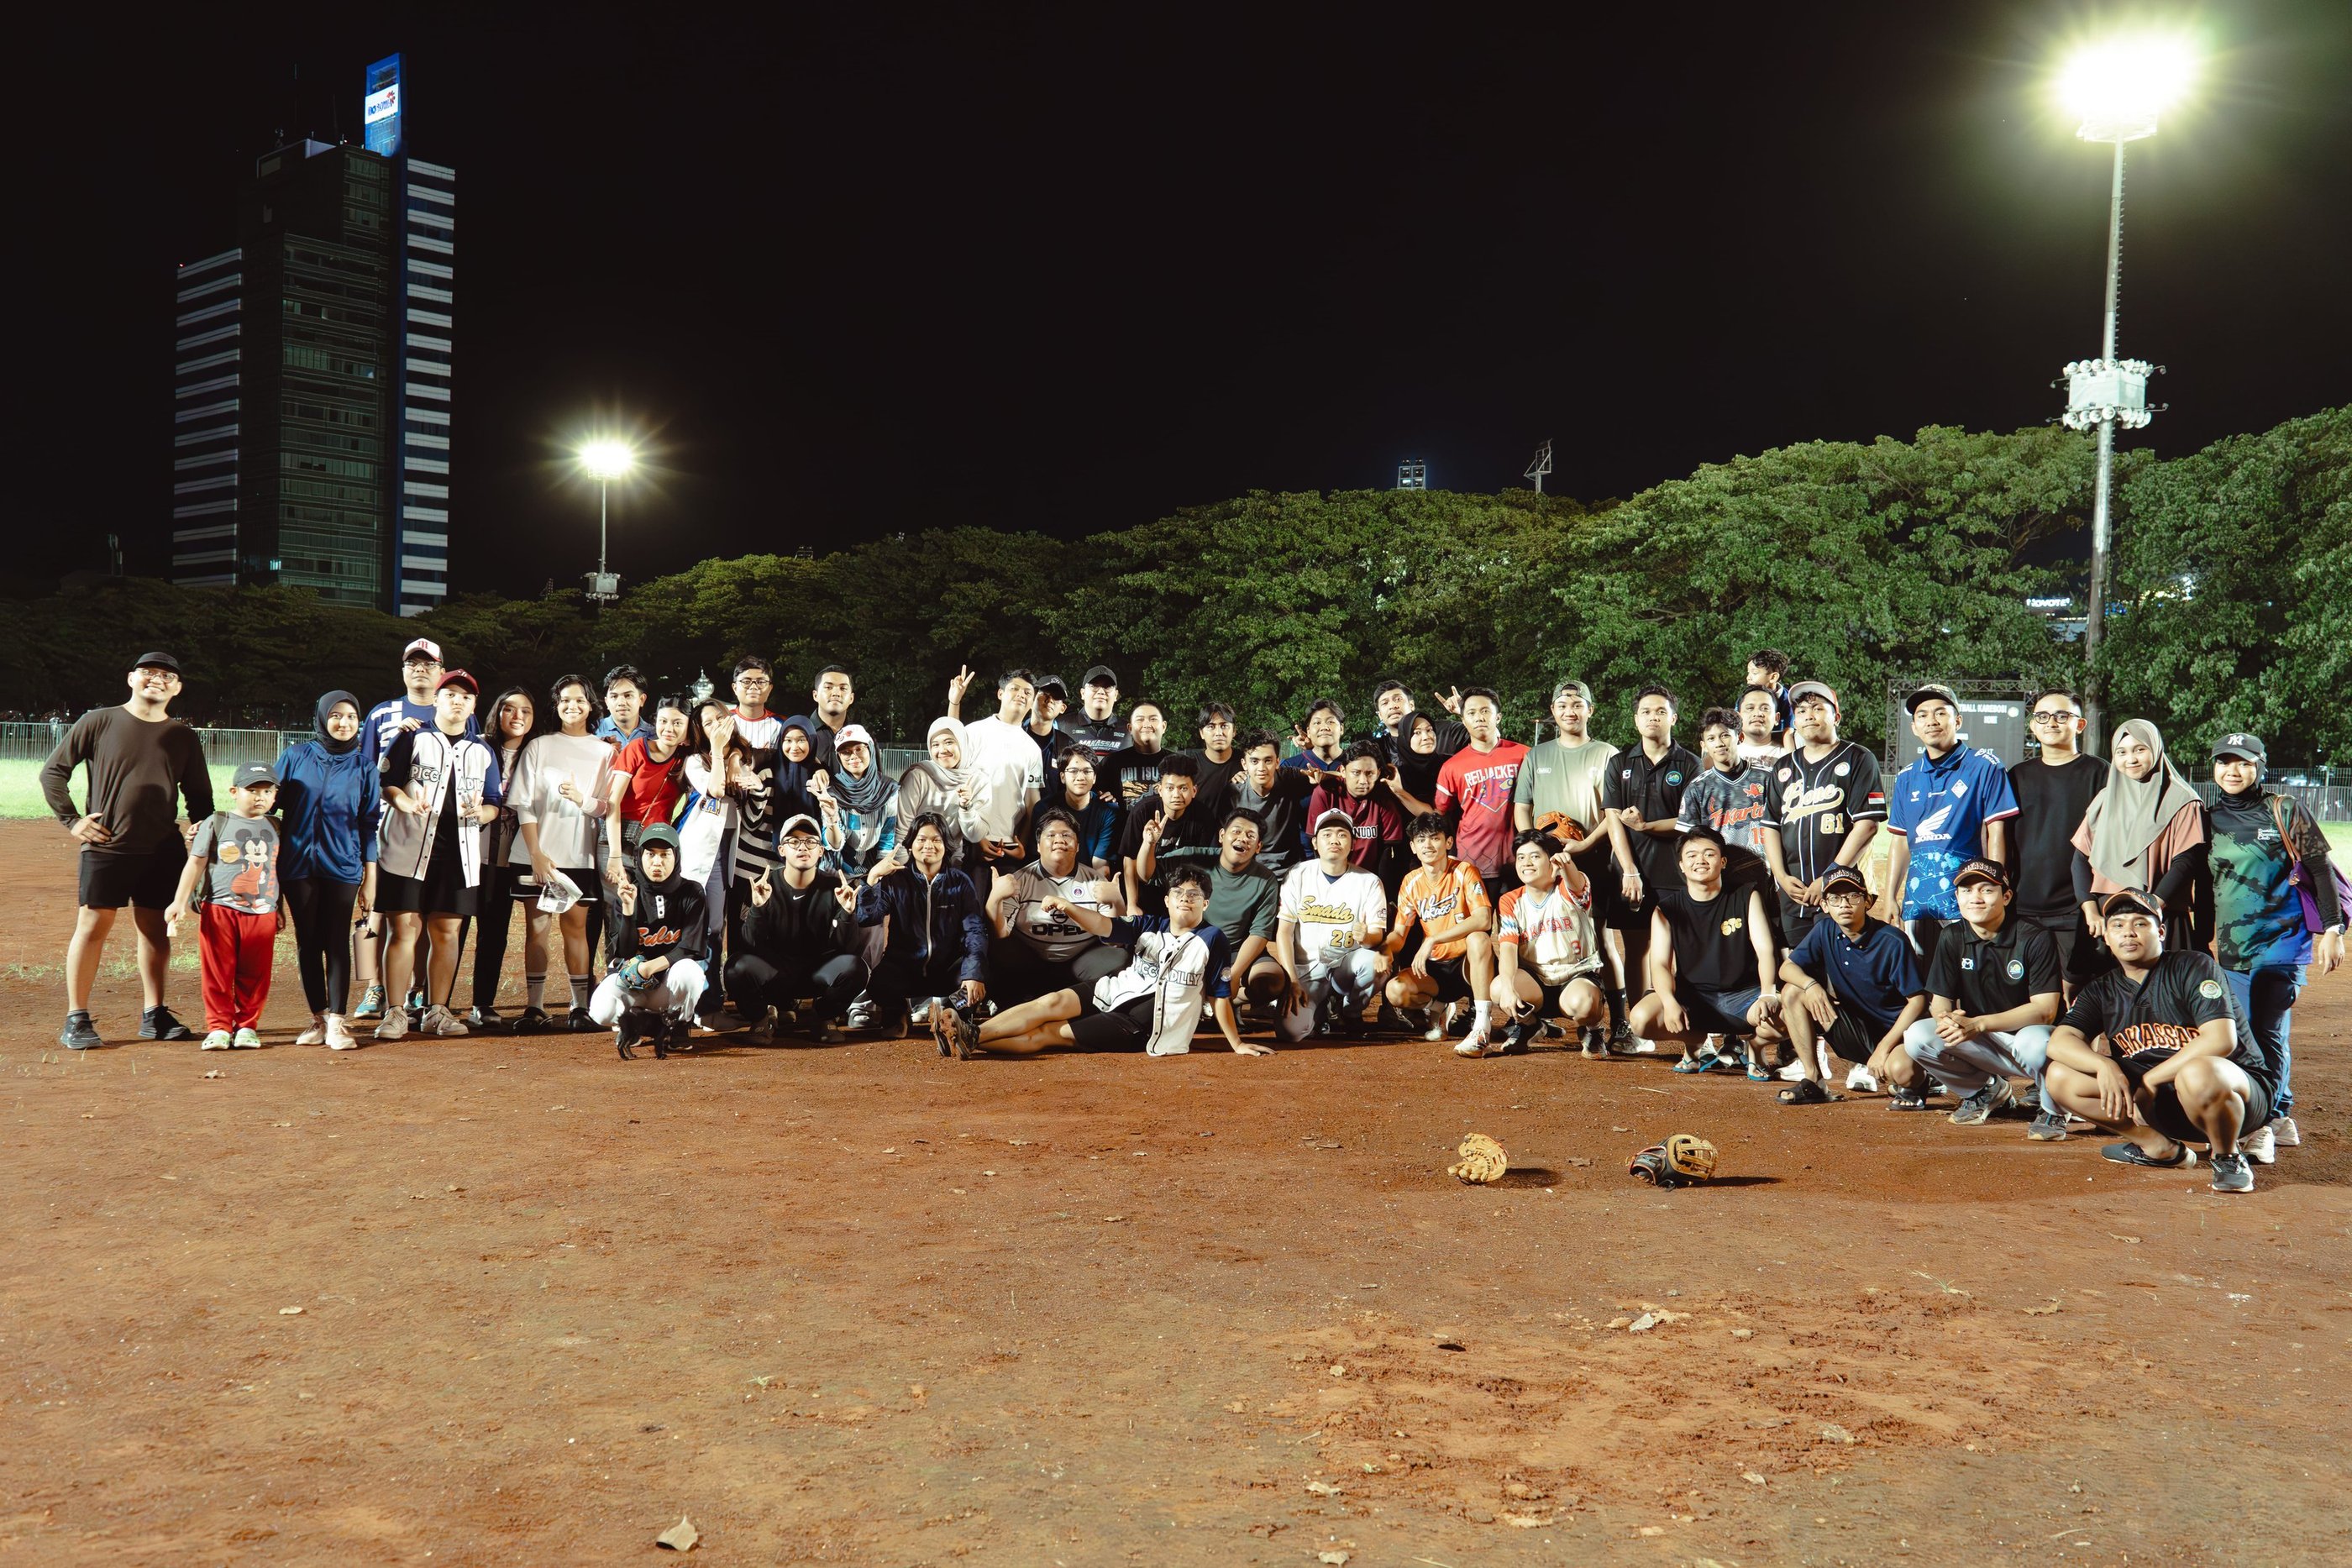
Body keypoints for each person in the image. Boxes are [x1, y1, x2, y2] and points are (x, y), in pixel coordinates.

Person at [2043, 889, 2272, 1194]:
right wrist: (2103, 1065)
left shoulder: (2192, 966)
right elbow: (2059, 1042)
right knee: (2059, 1076)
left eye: (2140, 923)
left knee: (2199, 1071)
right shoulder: (2101, 990)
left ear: (2161, 932)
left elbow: (2221, 1040)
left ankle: (2227, 1156)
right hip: (2158, 1105)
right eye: (2118, 925)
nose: (2128, 932)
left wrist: (2150, 1080)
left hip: (2233, 1098)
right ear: (2107, 938)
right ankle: (2157, 1147)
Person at [41, 651, 213, 1048]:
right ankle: (77, 1017)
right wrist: (73, 820)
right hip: (108, 844)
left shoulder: (183, 736)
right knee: (92, 927)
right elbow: (53, 772)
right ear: (131, 678)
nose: (158, 679)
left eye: (167, 676)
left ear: (178, 688)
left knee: (155, 930)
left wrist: (201, 829)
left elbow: (199, 797)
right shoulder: (99, 721)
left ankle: (155, 1013)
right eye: (149, 672)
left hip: (162, 848)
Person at [942, 865, 1263, 1058]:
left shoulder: (1212, 939)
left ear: (1205, 904)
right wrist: (1069, 906)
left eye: (1193, 895)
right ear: (1167, 900)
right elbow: (1102, 924)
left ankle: (969, 1038)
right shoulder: (1149, 924)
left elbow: (1220, 995)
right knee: (1050, 1002)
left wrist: (1236, 1043)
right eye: (1178, 893)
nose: (1185, 899)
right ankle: (971, 1034)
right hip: (1114, 990)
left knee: (1050, 1033)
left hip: (1142, 1025)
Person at [2205, 731, 2344, 1156]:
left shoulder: (2284, 809)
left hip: (2283, 942)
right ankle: (2279, 1115)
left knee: (2266, 1031)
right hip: (2231, 948)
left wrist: (2333, 929)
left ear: (2259, 767)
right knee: (2242, 1032)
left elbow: (2320, 869)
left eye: (2244, 762)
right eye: (2225, 761)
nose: (2233, 770)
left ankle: (2264, 1123)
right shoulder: (2208, 818)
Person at [375, 670, 504, 1041]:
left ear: (474, 706)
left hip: (458, 854)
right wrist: (405, 803)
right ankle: (395, 1012)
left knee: (447, 932)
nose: (457, 700)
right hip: (407, 848)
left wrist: (482, 814)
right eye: (450, 694)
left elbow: (494, 802)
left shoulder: (482, 751)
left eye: (466, 696)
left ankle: (437, 1011)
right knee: (403, 930)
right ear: (436, 699)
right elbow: (387, 784)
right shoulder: (411, 736)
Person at [1894, 858, 2066, 1133]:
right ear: (1957, 897)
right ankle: (1985, 1090)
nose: (1975, 898)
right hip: (1982, 1038)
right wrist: (1947, 1019)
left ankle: (2054, 1107)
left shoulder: (2034, 937)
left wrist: (1980, 1024)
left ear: (2006, 897)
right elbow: (1940, 1000)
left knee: (2033, 1041)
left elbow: (2045, 1011)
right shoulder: (1952, 936)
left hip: (2034, 1041)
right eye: (1966, 890)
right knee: (1919, 1036)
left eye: (1986, 890)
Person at [1630, 826, 1787, 1076]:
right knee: (1640, 1019)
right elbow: (1659, 964)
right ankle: (1695, 1042)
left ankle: (1756, 1047)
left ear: (1723, 862)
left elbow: (1765, 949)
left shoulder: (1746, 896)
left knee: (1791, 1015)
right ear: (1682, 866)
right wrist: (1670, 1002)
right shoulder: (1667, 909)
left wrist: (1767, 993)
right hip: (1692, 997)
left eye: (1709, 854)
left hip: (1744, 997)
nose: (1700, 860)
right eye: (1691, 856)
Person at [508, 674, 616, 1034]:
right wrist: (536, 854)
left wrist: (581, 799)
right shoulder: (539, 746)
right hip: (536, 855)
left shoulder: (605, 751)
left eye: (580, 700)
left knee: (576, 930)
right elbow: (524, 803)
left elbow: (606, 807)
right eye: (565, 700)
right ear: (556, 705)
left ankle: (580, 1007)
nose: (572, 706)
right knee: (537, 929)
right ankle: (535, 1006)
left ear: (591, 706)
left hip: (578, 854)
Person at [274, 690, 380, 1051]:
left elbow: (369, 825)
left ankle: (337, 1021)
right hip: (297, 865)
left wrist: (370, 878)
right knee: (308, 941)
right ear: (321, 718)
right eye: (335, 715)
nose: (343, 722)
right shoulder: (295, 757)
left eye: (351, 716)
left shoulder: (364, 768)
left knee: (336, 941)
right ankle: (317, 1018)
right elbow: (268, 805)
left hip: (343, 865)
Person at [1880, 684, 2019, 962]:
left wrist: (1995, 885)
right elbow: (1900, 841)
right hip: (1918, 900)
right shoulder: (1907, 777)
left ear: (1958, 721)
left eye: (1940, 713)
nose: (1931, 721)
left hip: (1967, 899)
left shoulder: (1984, 766)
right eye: (1922, 715)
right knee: (1922, 971)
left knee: (1969, 971)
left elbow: (1996, 832)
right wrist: (1890, 897)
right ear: (1914, 728)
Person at [1774, 864, 1926, 1105]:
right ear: (1825, 905)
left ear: (1868, 901)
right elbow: (1787, 968)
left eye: (1853, 896)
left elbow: (1918, 1001)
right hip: (1853, 1027)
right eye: (1835, 898)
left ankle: (1920, 1081)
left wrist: (1883, 1049)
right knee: (1793, 992)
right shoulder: (1824, 929)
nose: (1844, 904)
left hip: (1895, 1033)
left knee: (1903, 1072)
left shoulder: (1893, 940)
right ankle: (1814, 1080)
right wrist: (1811, 985)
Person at [1603, 686, 1702, 1045]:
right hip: (1632, 872)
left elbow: (1689, 821)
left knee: (1683, 951)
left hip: (1677, 872)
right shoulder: (1620, 763)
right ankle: (1638, 1027)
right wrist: (1629, 869)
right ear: (1635, 720)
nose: (1653, 717)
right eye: (1645, 712)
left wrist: (1646, 826)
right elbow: (1613, 820)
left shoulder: (1690, 764)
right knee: (1637, 948)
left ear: (1673, 718)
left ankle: (1692, 1027)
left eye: (1660, 711)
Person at [165, 762, 284, 1051]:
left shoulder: (276, 826)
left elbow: (279, 871)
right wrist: (179, 901)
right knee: (218, 971)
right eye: (252, 790)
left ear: (275, 796)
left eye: (267, 791)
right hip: (219, 908)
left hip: (262, 912)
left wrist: (280, 908)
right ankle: (218, 1027)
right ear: (234, 791)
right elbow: (196, 863)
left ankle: (247, 1027)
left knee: (255, 975)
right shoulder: (217, 821)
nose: (260, 797)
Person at [1760, 679, 1884, 953]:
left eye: (1817, 708)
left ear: (1836, 717)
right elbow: (1770, 826)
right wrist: (1781, 876)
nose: (1809, 715)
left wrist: (1829, 877)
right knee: (1797, 963)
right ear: (1795, 721)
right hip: (1793, 891)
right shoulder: (1783, 767)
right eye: (1802, 711)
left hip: (1841, 889)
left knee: (1841, 962)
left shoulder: (1858, 758)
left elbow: (1867, 825)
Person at [2071, 718, 2208, 959]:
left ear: (2155, 749)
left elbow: (2185, 862)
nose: (2131, 759)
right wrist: (2091, 911)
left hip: (2160, 916)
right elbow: (2080, 859)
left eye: (2140, 749)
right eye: (2122, 752)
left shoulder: (2183, 800)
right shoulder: (2105, 799)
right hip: (2108, 918)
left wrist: (2153, 906)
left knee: (2167, 981)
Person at [726, 814, 868, 1043]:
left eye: (811, 841)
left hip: (817, 972)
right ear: (781, 850)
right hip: (775, 972)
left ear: (821, 851)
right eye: (794, 842)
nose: (803, 847)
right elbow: (749, 946)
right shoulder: (763, 885)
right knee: (735, 967)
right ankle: (761, 1018)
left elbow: (847, 949)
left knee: (856, 968)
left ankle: (823, 1016)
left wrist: (847, 913)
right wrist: (758, 909)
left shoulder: (836, 887)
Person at [2005, 688, 2109, 996]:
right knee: (2028, 992)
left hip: (2077, 904)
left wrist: (2093, 901)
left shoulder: (2099, 772)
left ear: (2079, 724)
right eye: (2042, 716)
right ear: (2033, 725)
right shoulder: (2017, 776)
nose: (2051, 722)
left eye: (2062, 716)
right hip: (2025, 905)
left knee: (2075, 989)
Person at [1147, 806, 1289, 1017]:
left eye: (1251, 836)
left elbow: (1259, 933)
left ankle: (1231, 1002)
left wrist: (1234, 975)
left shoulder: (1266, 879)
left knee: (1272, 981)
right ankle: (1207, 1002)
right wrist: (1149, 844)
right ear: (1222, 836)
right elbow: (1147, 873)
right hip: (1191, 947)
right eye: (1236, 831)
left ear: (1258, 846)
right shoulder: (1194, 858)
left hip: (1235, 950)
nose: (1243, 838)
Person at [856, 811, 989, 1036]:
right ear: (910, 845)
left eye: (936, 840)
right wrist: (872, 878)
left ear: (946, 846)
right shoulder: (896, 880)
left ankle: (952, 1012)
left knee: (979, 976)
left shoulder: (960, 881)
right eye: (922, 839)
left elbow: (974, 930)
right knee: (879, 984)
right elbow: (868, 918)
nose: (929, 845)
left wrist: (973, 973)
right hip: (905, 969)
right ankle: (898, 1012)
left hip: (947, 971)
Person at [604, 697, 701, 1004]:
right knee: (619, 911)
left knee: (654, 912)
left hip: (657, 845)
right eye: (663, 721)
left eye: (677, 723)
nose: (668, 728)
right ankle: (616, 982)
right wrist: (615, 855)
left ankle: (656, 984)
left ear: (687, 729)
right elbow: (613, 803)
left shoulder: (685, 759)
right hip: (623, 841)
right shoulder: (637, 749)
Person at [984, 806, 1130, 1004]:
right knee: (999, 950)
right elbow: (1000, 934)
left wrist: (1117, 901)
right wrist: (995, 899)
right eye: (1051, 835)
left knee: (1119, 956)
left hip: (1080, 960)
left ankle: (1088, 1004)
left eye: (1066, 835)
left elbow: (1115, 941)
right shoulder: (1019, 880)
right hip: (1032, 961)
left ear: (1077, 846)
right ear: (1038, 846)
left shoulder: (1095, 881)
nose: (1059, 840)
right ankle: (1015, 1003)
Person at [593, 823, 711, 1058]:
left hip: (668, 987)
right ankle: (635, 1021)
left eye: (665, 855)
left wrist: (649, 967)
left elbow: (690, 948)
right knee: (600, 1011)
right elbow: (623, 952)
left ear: (676, 857)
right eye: (651, 854)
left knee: (690, 972)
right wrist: (628, 910)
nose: (657, 862)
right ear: (639, 857)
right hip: (635, 985)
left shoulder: (692, 892)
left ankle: (680, 1024)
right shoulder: (627, 894)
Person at [1383, 812, 1498, 1055]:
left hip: (1467, 964)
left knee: (1479, 938)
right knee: (1395, 990)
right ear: (1413, 847)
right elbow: (1399, 935)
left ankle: (1481, 1027)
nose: (1428, 845)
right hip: (1436, 968)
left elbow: (1484, 919)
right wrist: (1383, 949)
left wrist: (1434, 939)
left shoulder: (1464, 871)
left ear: (1448, 842)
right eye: (1421, 840)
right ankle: (1440, 1007)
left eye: (1434, 838)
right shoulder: (1411, 882)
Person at [1275, 810, 1390, 1042]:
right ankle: (1320, 1009)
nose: (1334, 840)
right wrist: (1292, 980)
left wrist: (1367, 937)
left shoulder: (1369, 881)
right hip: (1307, 968)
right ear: (1315, 843)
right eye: (1327, 834)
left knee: (1374, 964)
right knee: (1290, 1033)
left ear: (1353, 843)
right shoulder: (1298, 874)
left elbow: (1376, 936)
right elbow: (1284, 932)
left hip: (1346, 966)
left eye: (1342, 834)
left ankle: (1351, 1011)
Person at [1490, 829, 1608, 1055]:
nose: (1526, 863)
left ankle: (1593, 1029)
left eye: (1535, 856)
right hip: (1536, 981)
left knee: (1584, 1004)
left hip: (1576, 975)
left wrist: (1567, 863)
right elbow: (1508, 950)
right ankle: (1530, 1025)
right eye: (1521, 857)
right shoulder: (1510, 900)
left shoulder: (1567, 887)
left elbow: (1576, 883)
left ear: (1551, 860)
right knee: (1499, 987)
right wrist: (1508, 988)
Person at [468, 686, 537, 1030]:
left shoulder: (536, 753)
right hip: (470, 852)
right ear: (497, 712)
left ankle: (482, 1003)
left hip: (510, 858)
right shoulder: (478, 746)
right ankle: (431, 1002)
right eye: (509, 709)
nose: (517, 716)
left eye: (525, 710)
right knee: (451, 927)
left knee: (494, 934)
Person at [1429, 689, 1529, 908]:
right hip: (1473, 859)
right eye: (1472, 713)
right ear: (1463, 720)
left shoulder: (1524, 754)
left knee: (1520, 925)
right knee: (1478, 925)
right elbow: (1441, 813)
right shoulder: (1452, 766)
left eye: (1485, 711)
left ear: (1498, 717)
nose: (1479, 717)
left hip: (1521, 858)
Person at [953, 667, 1047, 868]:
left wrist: (1022, 843)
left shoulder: (1032, 749)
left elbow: (1032, 802)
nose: (1021, 694)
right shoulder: (974, 731)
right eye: (1015, 689)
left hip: (1008, 845)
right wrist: (954, 702)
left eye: (1027, 692)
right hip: (969, 840)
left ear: (1032, 702)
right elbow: (953, 774)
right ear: (1000, 693)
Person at [1676, 706, 1774, 898]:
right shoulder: (1698, 788)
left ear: (1740, 737)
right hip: (1722, 880)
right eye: (1711, 738)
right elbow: (1690, 844)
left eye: (1725, 736)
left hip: (1767, 874)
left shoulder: (1768, 778)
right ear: (1704, 745)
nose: (1719, 743)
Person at [1118, 753, 1212, 915]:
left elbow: (1201, 868)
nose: (1176, 795)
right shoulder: (1142, 811)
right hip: (1146, 889)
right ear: (1160, 790)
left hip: (1182, 891)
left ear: (1194, 791)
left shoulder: (1203, 816)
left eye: (1183, 788)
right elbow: (1130, 861)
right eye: (1170, 788)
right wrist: (1132, 904)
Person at [897, 716, 990, 867]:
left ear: (962, 743)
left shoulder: (978, 779)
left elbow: (976, 836)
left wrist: (966, 807)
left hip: (952, 862)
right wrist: (903, 871)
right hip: (916, 861)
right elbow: (902, 829)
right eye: (935, 744)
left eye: (949, 742)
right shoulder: (919, 776)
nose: (942, 750)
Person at [1226, 728, 1321, 873]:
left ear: (1277, 762)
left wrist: (1314, 754)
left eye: (1268, 761)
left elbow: (1332, 776)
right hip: (1250, 871)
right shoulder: (1233, 793)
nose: (1261, 768)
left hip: (1291, 870)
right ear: (1244, 764)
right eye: (1254, 761)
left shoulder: (1289, 777)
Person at [1308, 743, 1404, 883]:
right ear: (1343, 771)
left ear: (1378, 773)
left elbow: (1389, 852)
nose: (1363, 781)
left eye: (1370, 773)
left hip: (1368, 880)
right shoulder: (1325, 792)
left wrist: (1378, 886)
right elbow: (1315, 846)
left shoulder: (1385, 798)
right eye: (1356, 773)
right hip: (1330, 876)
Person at [815, 722, 899, 877]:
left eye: (859, 749)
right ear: (839, 757)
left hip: (873, 870)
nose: (853, 756)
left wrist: (880, 876)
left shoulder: (888, 789)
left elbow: (887, 838)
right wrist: (832, 819)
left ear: (870, 749)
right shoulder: (832, 792)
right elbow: (834, 845)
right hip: (834, 872)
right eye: (845, 752)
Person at [1021, 747, 1121, 874]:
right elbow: (1041, 857)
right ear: (1062, 777)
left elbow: (1100, 863)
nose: (1080, 777)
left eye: (1087, 771)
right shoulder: (1044, 808)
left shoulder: (1108, 811)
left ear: (1095, 777)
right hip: (1051, 876)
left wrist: (1100, 884)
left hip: (1088, 879)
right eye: (1073, 771)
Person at [1102, 700, 1172, 805]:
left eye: (1153, 719)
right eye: (1140, 719)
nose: (1147, 724)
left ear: (1164, 727)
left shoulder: (1178, 763)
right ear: (1130, 728)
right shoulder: (1111, 763)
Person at [790, 663, 858, 771]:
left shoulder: (861, 736)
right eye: (828, 687)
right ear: (815, 695)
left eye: (843, 688)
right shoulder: (796, 731)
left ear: (851, 698)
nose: (836, 693)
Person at [1184, 701, 1240, 825]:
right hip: (1199, 835)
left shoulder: (1248, 763)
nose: (1219, 733)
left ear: (1234, 731)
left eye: (1224, 726)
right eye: (1211, 726)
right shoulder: (1189, 767)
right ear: (1201, 733)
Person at [1062, 665, 1127, 760]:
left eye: (1107, 687)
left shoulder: (1130, 730)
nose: (1101, 691)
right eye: (1094, 686)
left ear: (1116, 695)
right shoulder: (1060, 725)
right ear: (1083, 693)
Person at [727, 656, 784, 753]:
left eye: (760, 682)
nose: (753, 687)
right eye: (746, 682)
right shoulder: (723, 721)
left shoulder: (782, 725)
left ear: (769, 689)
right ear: (735, 688)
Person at [1283, 699, 1348, 774]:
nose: (1324, 727)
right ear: (1308, 731)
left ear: (1341, 729)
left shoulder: (1355, 763)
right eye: (1317, 723)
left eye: (1330, 722)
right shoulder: (1290, 766)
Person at [1026, 674, 1076, 771]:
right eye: (1045, 694)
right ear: (1032, 699)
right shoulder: (1012, 736)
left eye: (1056, 697)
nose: (1050, 700)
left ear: (1062, 708)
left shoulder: (1068, 746)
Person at [1745, 648, 1793, 741]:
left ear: (1773, 677)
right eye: (1748, 672)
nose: (1748, 678)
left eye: (1754, 673)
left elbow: (1788, 732)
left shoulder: (1788, 701)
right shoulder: (1745, 698)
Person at [596, 664, 652, 745]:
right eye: (614, 696)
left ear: (642, 700)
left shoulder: (657, 735)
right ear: (607, 702)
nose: (621, 703)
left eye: (628, 695)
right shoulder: (592, 732)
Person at [1735, 684, 1787, 765]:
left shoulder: (1787, 757)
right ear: (1738, 717)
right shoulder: (1726, 756)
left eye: (1765, 709)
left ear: (1776, 718)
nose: (1757, 713)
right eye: (1750, 708)